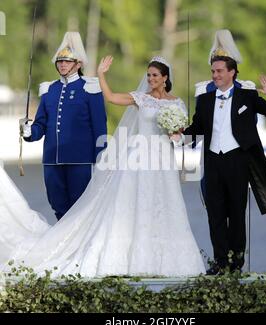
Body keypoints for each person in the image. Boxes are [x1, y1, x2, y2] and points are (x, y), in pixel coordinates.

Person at [0, 56, 206, 278]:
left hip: (163, 159)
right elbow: (111, 97)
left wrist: (176, 133)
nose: (150, 79)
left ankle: (167, 260)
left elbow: (182, 135)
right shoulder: (141, 99)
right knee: (136, 203)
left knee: (166, 203)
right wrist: (101, 74)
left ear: (165, 78)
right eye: (148, 75)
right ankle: (131, 257)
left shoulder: (177, 104)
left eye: (155, 75)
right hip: (139, 157)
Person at [173, 30, 266, 275]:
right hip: (213, 161)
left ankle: (236, 263)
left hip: (238, 161)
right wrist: (180, 137)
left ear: (232, 72)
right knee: (215, 215)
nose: (215, 75)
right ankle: (220, 261)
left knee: (236, 213)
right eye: (213, 71)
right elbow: (197, 128)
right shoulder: (205, 100)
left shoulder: (247, 95)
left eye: (220, 71)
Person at [21, 32, 107, 220]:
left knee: (79, 204)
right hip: (52, 159)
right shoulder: (49, 90)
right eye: (60, 61)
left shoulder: (90, 88)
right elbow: (41, 124)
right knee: (57, 203)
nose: (62, 64)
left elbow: (100, 127)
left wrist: (101, 155)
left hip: (80, 159)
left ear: (78, 64)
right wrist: (29, 132)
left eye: (67, 61)